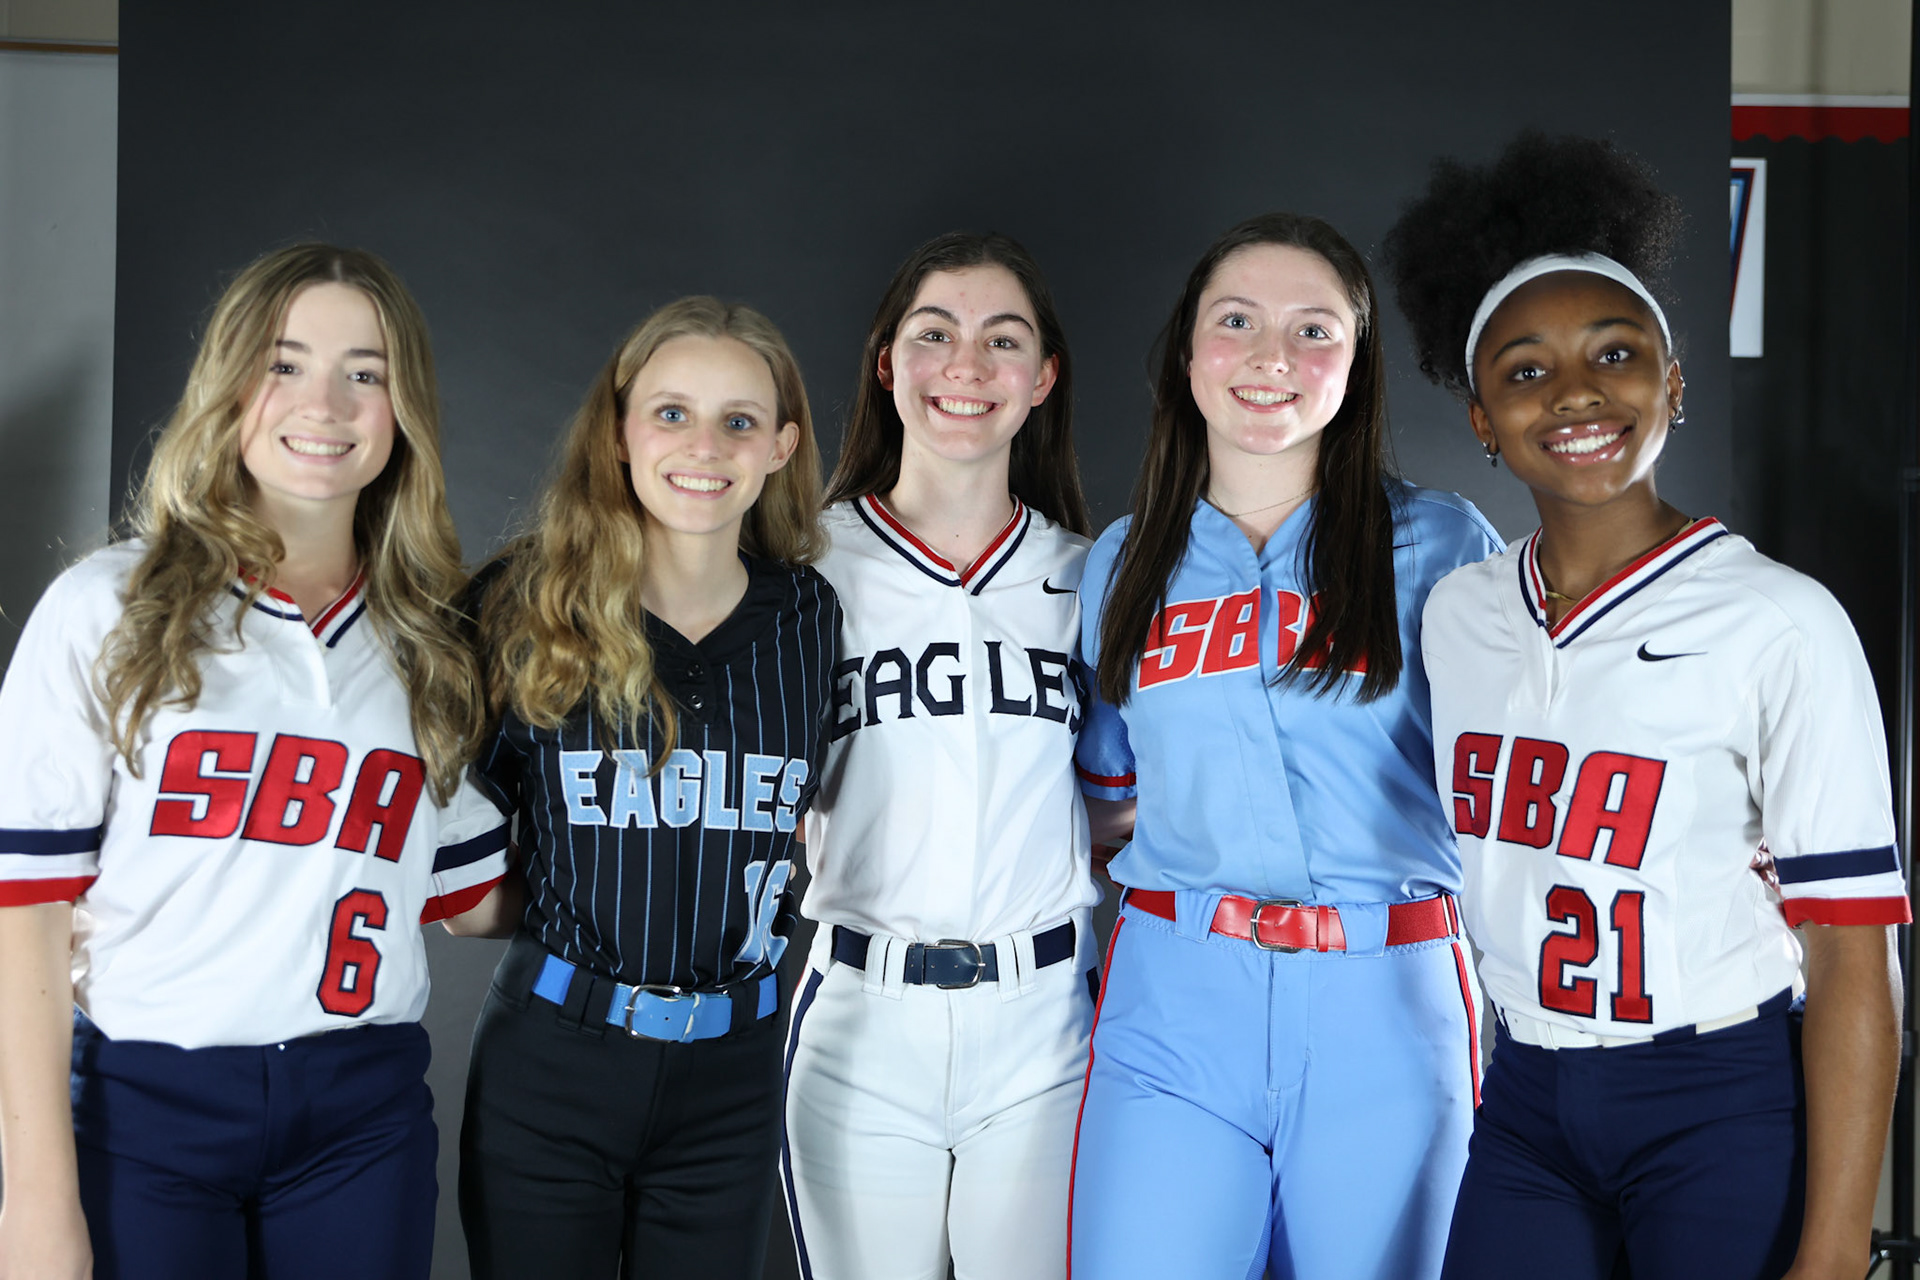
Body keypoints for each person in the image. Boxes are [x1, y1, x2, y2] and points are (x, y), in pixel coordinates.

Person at [1384, 132, 1906, 1280]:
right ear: (1480, 418)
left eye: (1615, 354)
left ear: (1672, 381)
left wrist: (1833, 1253)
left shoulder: (1781, 619)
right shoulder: (1459, 612)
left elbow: (1857, 957)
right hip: (1526, 1094)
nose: (1575, 391)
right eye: (1525, 370)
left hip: (1716, 1093)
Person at [0, 243, 511, 1280]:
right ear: (228, 384)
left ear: (402, 404)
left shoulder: (429, 642)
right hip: (149, 1109)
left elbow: (473, 896)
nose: (325, 401)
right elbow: (27, 915)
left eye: (365, 371)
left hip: (359, 1116)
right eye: (285, 363)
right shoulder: (108, 605)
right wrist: (38, 1197)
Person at [1070, 212, 1501, 1280]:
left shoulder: (1444, 543)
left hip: (1385, 995)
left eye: (1314, 330)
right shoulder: (1123, 563)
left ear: (1355, 368)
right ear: (1187, 349)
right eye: (1237, 321)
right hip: (1174, 992)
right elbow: (1111, 792)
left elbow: (1526, 773)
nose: (1272, 357)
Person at [457, 295, 838, 1280]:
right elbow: (444, 854)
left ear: (782, 444)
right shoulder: (521, 600)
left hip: (738, 1069)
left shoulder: (813, 616)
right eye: (671, 412)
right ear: (619, 430)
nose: (703, 445)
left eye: (739, 420)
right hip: (556, 1056)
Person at [781, 230, 1098, 1280]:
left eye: (1002, 340)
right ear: (888, 362)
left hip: (1044, 1022)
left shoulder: (1092, 576)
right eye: (935, 333)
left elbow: (1129, 795)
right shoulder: (802, 566)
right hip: (863, 1021)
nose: (967, 365)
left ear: (1042, 377)